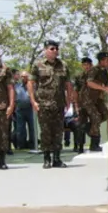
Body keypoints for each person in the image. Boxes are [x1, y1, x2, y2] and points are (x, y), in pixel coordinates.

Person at [28, 40, 75, 169]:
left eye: (56, 49)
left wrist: (69, 101)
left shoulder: (63, 65)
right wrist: (33, 101)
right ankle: (47, 158)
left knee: (58, 132)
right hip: (43, 104)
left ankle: (57, 158)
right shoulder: (38, 65)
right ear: (45, 50)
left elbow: (68, 84)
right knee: (46, 132)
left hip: (59, 104)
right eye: (52, 48)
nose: (55, 51)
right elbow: (31, 83)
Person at [81, 51, 108, 152]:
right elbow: (90, 83)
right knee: (96, 118)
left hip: (97, 99)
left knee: (106, 114)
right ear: (102, 60)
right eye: (107, 60)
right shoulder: (94, 70)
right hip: (87, 98)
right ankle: (94, 144)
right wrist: (103, 89)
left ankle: (87, 127)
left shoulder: (104, 71)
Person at [0, 43, 15, 170]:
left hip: (1, 106)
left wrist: (11, 105)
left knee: (2, 135)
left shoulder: (4, 69)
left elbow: (10, 88)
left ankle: (1, 160)